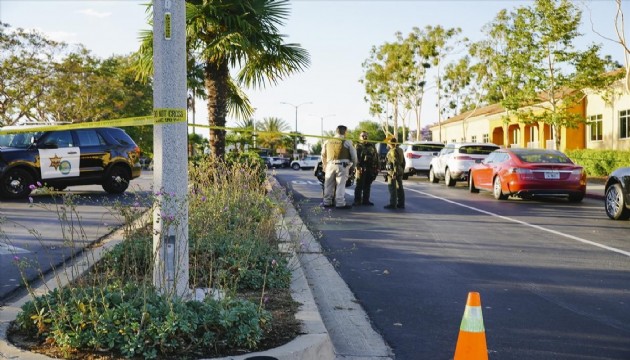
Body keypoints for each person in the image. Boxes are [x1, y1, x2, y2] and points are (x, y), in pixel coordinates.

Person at [321, 125, 358, 209]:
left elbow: (323, 154)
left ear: (336, 131)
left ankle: (327, 202)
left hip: (329, 165)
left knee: (328, 184)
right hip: (342, 166)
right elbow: (354, 156)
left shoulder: (327, 141)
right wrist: (353, 166)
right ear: (345, 131)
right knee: (340, 184)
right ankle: (340, 202)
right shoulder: (347, 141)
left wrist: (325, 165)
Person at [353, 131, 380, 206]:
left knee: (367, 185)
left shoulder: (371, 146)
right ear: (360, 137)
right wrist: (357, 167)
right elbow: (355, 158)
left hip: (370, 168)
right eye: (363, 136)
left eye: (366, 136)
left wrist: (378, 166)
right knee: (359, 185)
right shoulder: (357, 146)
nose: (365, 137)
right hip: (361, 168)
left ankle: (366, 200)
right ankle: (357, 200)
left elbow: (376, 156)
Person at [384, 137, 405, 209]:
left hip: (393, 171)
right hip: (400, 170)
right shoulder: (400, 150)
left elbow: (394, 162)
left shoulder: (392, 151)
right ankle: (401, 203)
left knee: (392, 188)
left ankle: (393, 204)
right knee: (400, 187)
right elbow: (403, 162)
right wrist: (402, 170)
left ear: (390, 143)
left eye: (388, 143)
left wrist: (394, 173)